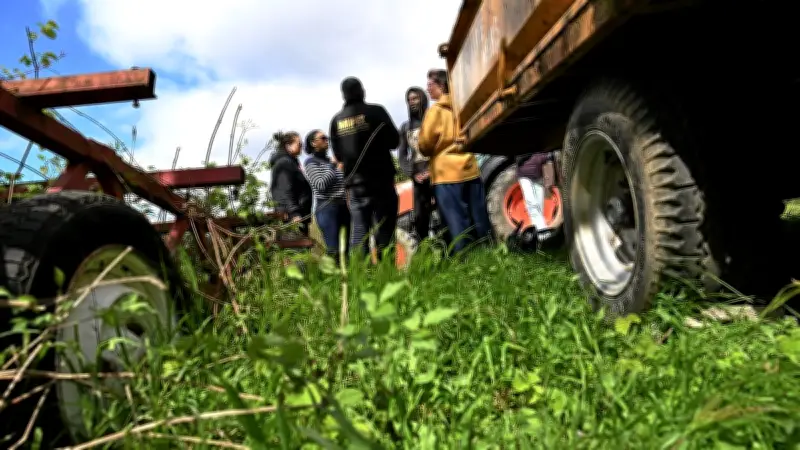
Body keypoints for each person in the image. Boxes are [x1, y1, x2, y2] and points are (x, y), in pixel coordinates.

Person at [419, 69, 491, 254]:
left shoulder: (435, 111)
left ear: (441, 86)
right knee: (479, 219)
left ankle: (466, 263)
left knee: (457, 223)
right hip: (470, 167)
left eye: (430, 85)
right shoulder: (464, 105)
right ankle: (488, 256)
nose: (427, 89)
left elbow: (425, 145)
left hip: (446, 174)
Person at [329, 77, 400, 259]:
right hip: (381, 182)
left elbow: (338, 156)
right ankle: (386, 276)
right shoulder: (376, 112)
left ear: (343, 95)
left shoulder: (336, 121)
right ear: (362, 91)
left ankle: (362, 278)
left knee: (359, 232)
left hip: (355, 186)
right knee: (384, 232)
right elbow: (395, 142)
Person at [304, 129, 350, 256]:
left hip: (342, 207)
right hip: (327, 208)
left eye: (327, 138)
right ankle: (334, 275)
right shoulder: (311, 162)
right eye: (323, 138)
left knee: (347, 248)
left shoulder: (331, 162)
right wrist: (333, 167)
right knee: (334, 249)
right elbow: (320, 185)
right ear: (313, 143)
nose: (327, 141)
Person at [398, 86, 434, 241]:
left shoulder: (433, 120)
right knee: (420, 217)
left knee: (445, 211)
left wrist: (432, 170)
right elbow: (401, 156)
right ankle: (424, 252)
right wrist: (413, 174)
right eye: (409, 100)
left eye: (415, 98)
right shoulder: (405, 127)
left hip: (438, 172)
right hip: (418, 178)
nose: (412, 102)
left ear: (423, 99)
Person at [269, 130, 312, 232]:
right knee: (295, 245)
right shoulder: (285, 163)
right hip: (290, 217)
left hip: (297, 214)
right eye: (299, 144)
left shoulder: (291, 162)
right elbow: (285, 190)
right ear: (288, 146)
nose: (302, 147)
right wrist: (294, 213)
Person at [516, 152, 557, 242]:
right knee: (532, 204)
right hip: (524, 175)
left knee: (539, 205)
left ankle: (540, 233)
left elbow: (549, 156)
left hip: (538, 175)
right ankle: (542, 233)